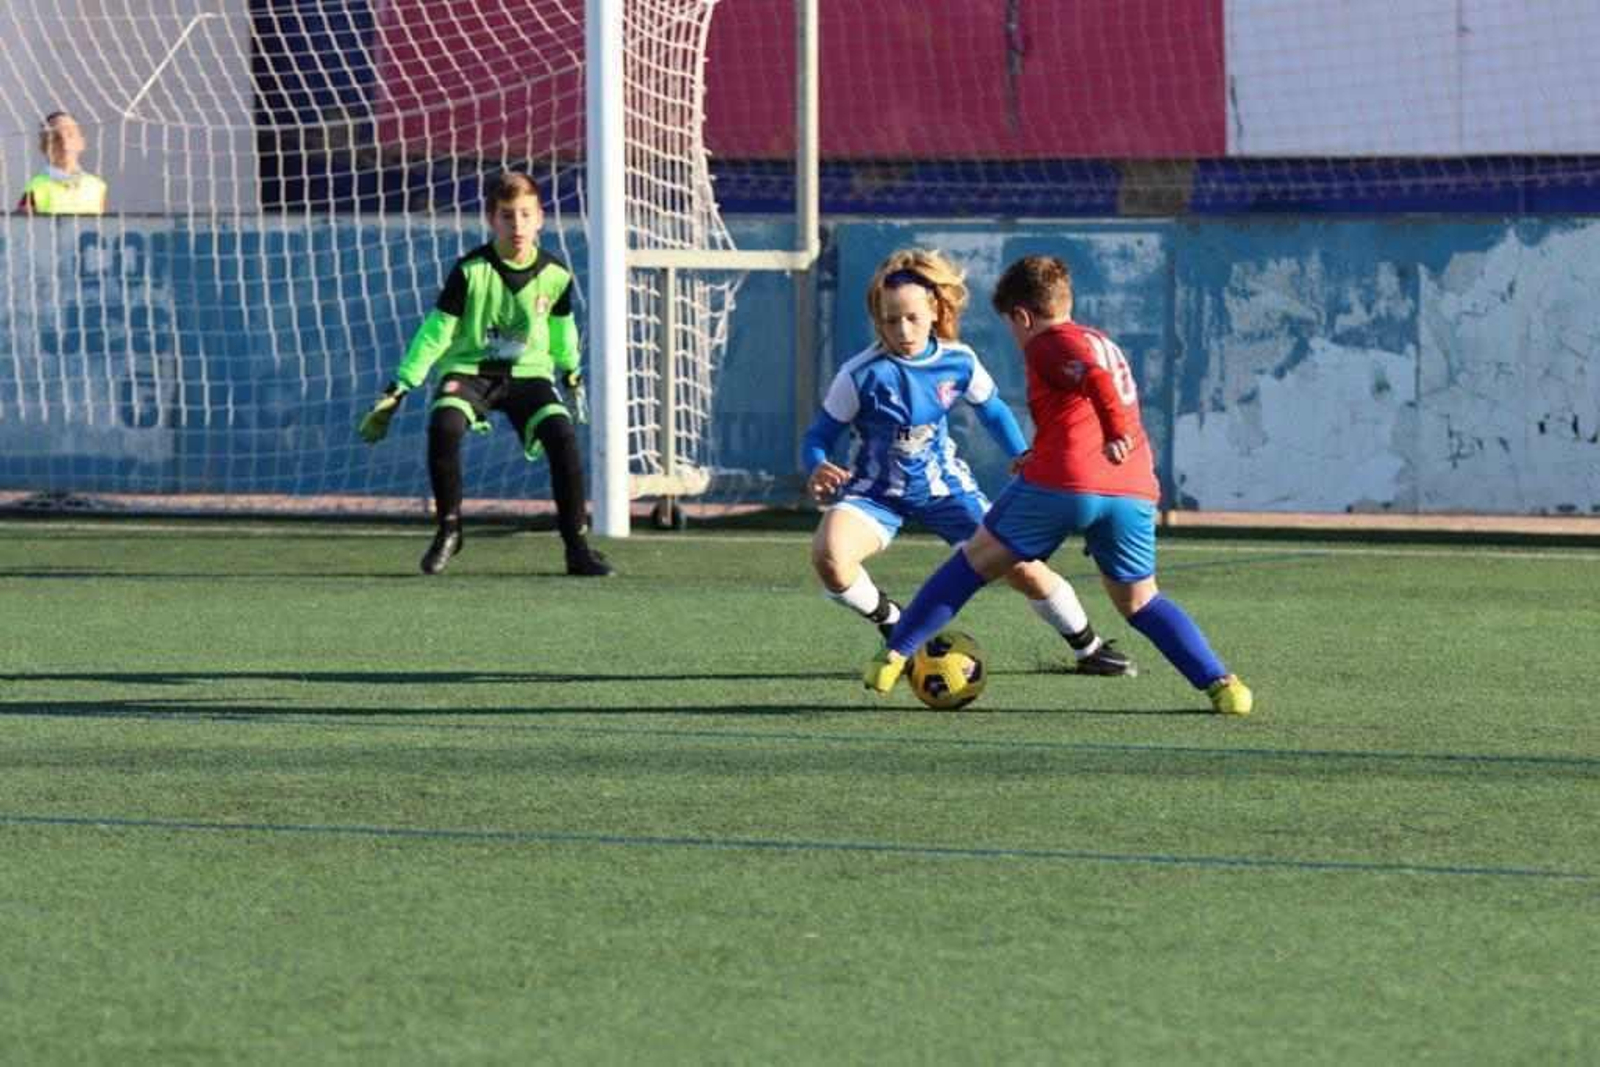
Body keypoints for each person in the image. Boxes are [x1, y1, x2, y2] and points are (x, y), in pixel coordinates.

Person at [863, 254, 1253, 715]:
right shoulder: (1100, 338)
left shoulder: (1050, 342)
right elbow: (1093, 388)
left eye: (1012, 324)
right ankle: (1223, 685)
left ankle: (893, 656)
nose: (1015, 335)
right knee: (1141, 601)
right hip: (1131, 488)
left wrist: (1113, 434)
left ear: (1023, 316)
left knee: (973, 561)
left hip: (1068, 478)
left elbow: (1095, 382)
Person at [805, 248, 1133, 675]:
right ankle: (894, 622)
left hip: (946, 490)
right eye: (890, 320)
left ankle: (1088, 648)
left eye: (912, 318)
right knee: (829, 557)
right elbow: (819, 434)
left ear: (934, 312)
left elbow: (993, 410)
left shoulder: (958, 360)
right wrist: (816, 463)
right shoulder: (860, 373)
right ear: (878, 319)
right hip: (876, 494)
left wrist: (1022, 453)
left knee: (1023, 568)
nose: (902, 330)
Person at [356, 171, 612, 577]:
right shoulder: (470, 271)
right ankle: (449, 530)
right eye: (508, 216)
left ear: (541, 218)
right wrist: (401, 385)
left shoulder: (557, 274)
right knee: (445, 424)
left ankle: (577, 547)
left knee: (562, 435)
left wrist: (571, 372)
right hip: (469, 370)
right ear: (492, 219)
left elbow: (563, 329)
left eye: (526, 215)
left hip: (529, 374)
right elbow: (436, 332)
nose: (518, 226)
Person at [15, 111, 107, 215]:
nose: (64, 144)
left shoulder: (97, 186)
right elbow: (22, 226)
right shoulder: (34, 188)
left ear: (81, 142)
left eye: (70, 135)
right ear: (43, 146)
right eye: (56, 138)